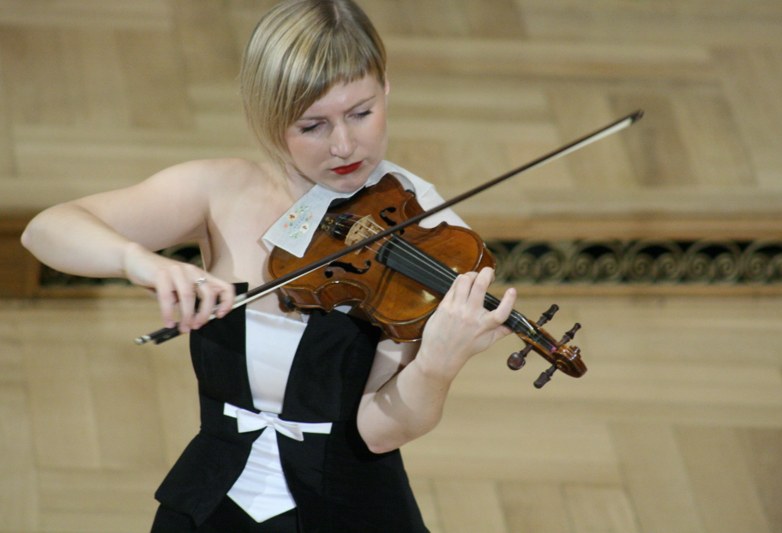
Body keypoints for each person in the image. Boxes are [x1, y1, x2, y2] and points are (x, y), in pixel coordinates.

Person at [21, 0, 517, 531]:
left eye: (361, 112)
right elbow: (45, 230)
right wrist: (137, 261)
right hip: (212, 496)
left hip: (350, 509)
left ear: (386, 88)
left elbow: (379, 432)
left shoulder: (426, 228)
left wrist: (437, 364)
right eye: (312, 126)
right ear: (269, 116)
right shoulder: (223, 191)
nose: (344, 144)